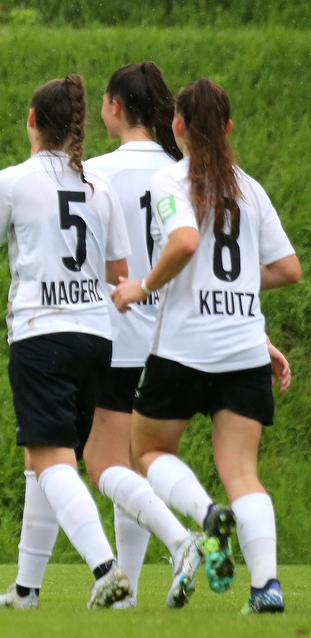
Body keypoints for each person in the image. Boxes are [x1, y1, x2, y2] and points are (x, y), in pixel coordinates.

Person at [0, 62, 202, 611]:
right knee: (108, 463)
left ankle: (142, 564)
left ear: (112, 108)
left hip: (104, 330)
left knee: (73, 461)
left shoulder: (93, 174)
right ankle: (56, 586)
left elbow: (111, 268)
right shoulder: (187, 173)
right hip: (169, 340)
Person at [0, 75, 132, 609]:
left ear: (30, 119)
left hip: (41, 336)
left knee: (52, 461)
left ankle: (108, 570)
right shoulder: (100, 186)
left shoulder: (10, 182)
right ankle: (26, 590)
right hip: (96, 338)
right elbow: (118, 271)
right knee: (44, 462)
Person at [112, 78, 300, 614]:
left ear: (177, 127)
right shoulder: (251, 188)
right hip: (243, 349)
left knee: (146, 451)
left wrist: (142, 286)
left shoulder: (171, 179)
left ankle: (206, 515)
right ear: (230, 128)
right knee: (243, 472)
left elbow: (186, 241)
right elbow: (289, 269)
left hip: (184, 347)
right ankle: (266, 589)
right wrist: (237, 287)